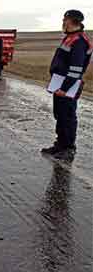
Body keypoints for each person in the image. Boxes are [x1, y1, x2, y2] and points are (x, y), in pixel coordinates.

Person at [41, 9, 91, 160]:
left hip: (68, 86)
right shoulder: (70, 38)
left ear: (73, 21)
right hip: (60, 83)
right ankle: (60, 144)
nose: (63, 21)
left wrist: (64, 88)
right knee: (60, 115)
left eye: (65, 19)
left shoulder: (79, 42)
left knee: (68, 116)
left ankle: (68, 147)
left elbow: (75, 70)